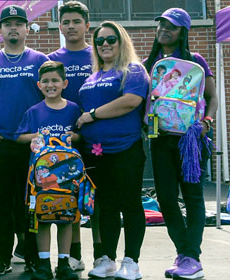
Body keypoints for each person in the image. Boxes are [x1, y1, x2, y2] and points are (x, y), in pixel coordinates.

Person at [0, 5, 50, 275]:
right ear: (0, 31)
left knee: (29, 204)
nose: (13, 28)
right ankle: (2, 256)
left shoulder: (40, 60)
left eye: (18, 23)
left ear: (27, 29)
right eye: (7, 24)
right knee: (2, 203)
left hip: (32, 145)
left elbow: (50, 98)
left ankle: (31, 257)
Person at [143, 8, 217, 280]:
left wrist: (207, 122)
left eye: (171, 26)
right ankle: (184, 254)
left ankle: (191, 258)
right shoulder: (149, 62)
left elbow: (212, 97)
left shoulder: (195, 60)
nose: (164, 29)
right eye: (161, 23)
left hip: (190, 142)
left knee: (193, 197)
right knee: (165, 199)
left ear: (183, 31)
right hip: (160, 139)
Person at [76, 21, 149, 280]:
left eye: (111, 39)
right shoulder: (91, 77)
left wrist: (92, 115)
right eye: (99, 41)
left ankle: (132, 262)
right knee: (105, 206)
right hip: (96, 153)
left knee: (129, 203)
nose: (105, 44)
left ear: (121, 41)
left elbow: (131, 101)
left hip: (126, 148)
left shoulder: (133, 70)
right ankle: (106, 259)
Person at [14, 61, 82, 280]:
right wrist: (34, 137)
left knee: (66, 218)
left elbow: (82, 135)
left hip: (68, 178)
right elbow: (19, 136)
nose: (50, 85)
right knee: (42, 218)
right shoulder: (34, 111)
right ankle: (43, 264)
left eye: (55, 80)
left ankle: (64, 263)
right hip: (40, 178)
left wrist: (74, 137)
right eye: (46, 81)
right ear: (39, 85)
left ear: (64, 83)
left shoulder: (73, 109)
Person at [47, 1, 94, 271]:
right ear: (60, 26)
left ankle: (102, 253)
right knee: (68, 199)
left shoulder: (96, 54)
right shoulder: (52, 58)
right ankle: (73, 255)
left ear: (86, 25)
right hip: (62, 141)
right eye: (66, 22)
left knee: (93, 198)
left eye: (76, 21)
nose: (71, 26)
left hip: (94, 136)